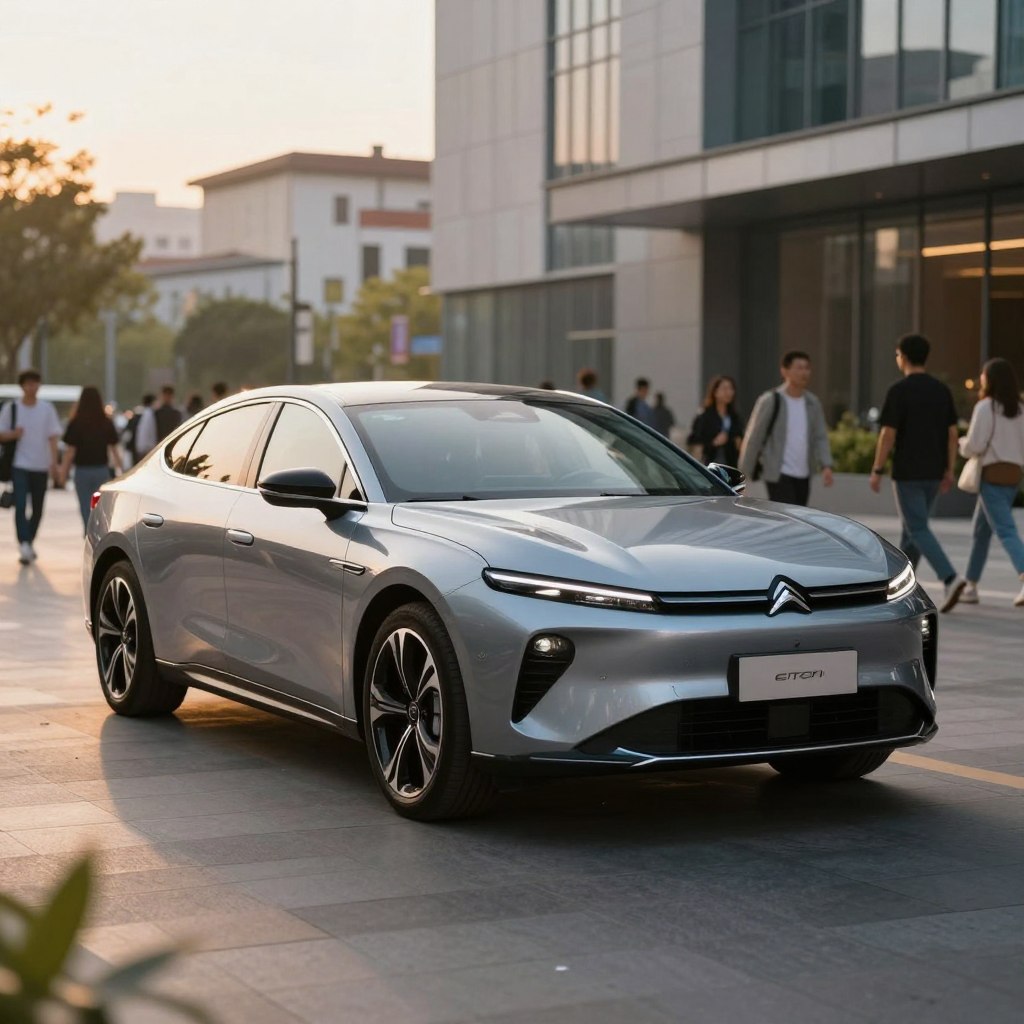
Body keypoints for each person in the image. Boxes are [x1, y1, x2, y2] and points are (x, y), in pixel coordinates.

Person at [869, 334, 965, 613]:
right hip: (934, 473)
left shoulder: (899, 390)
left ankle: (949, 577)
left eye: (897, 355)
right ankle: (899, 587)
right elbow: (952, 434)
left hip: (908, 472)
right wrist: (949, 469)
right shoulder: (941, 390)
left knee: (918, 529)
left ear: (904, 356)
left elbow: (888, 433)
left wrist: (877, 468)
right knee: (912, 533)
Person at [959, 358, 1024, 608]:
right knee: (981, 531)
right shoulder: (1020, 409)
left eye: (983, 376)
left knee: (1006, 530)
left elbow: (974, 445)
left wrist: (961, 444)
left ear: (991, 380)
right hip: (1013, 476)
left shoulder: (986, 408)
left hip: (991, 476)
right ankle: (971, 586)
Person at [739, 350, 833, 506]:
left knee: (798, 517)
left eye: (807, 368)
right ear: (785, 371)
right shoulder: (771, 400)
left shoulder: (812, 403)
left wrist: (826, 465)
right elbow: (754, 437)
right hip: (778, 472)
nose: (804, 372)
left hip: (804, 473)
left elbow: (820, 436)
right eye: (799, 367)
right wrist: (744, 473)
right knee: (786, 515)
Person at [0, 369, 62, 564]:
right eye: (28, 384)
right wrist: (14, 434)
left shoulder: (46, 409)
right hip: (20, 464)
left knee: (38, 508)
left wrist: (54, 463)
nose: (32, 387)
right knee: (20, 505)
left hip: (41, 466)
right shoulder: (12, 408)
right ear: (22, 386)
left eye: (35, 383)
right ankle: (24, 543)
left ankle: (29, 540)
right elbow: (1, 434)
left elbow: (53, 437)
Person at [58, 386, 123, 531]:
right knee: (100, 506)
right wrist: (121, 469)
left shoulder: (76, 423)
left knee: (85, 506)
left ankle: (88, 533)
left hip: (82, 471)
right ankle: (97, 533)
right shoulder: (106, 422)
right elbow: (114, 448)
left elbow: (69, 452)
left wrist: (63, 473)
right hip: (101, 470)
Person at [687, 376, 744, 464]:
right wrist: (713, 443)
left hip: (730, 466)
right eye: (725, 389)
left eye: (731, 389)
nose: (729, 392)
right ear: (715, 392)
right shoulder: (705, 416)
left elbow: (740, 438)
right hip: (709, 465)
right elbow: (693, 440)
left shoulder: (734, 417)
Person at [134, 384, 182, 456]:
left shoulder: (175, 414)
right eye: (166, 395)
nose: (167, 397)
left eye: (169, 395)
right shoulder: (155, 413)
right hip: (158, 447)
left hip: (171, 446)